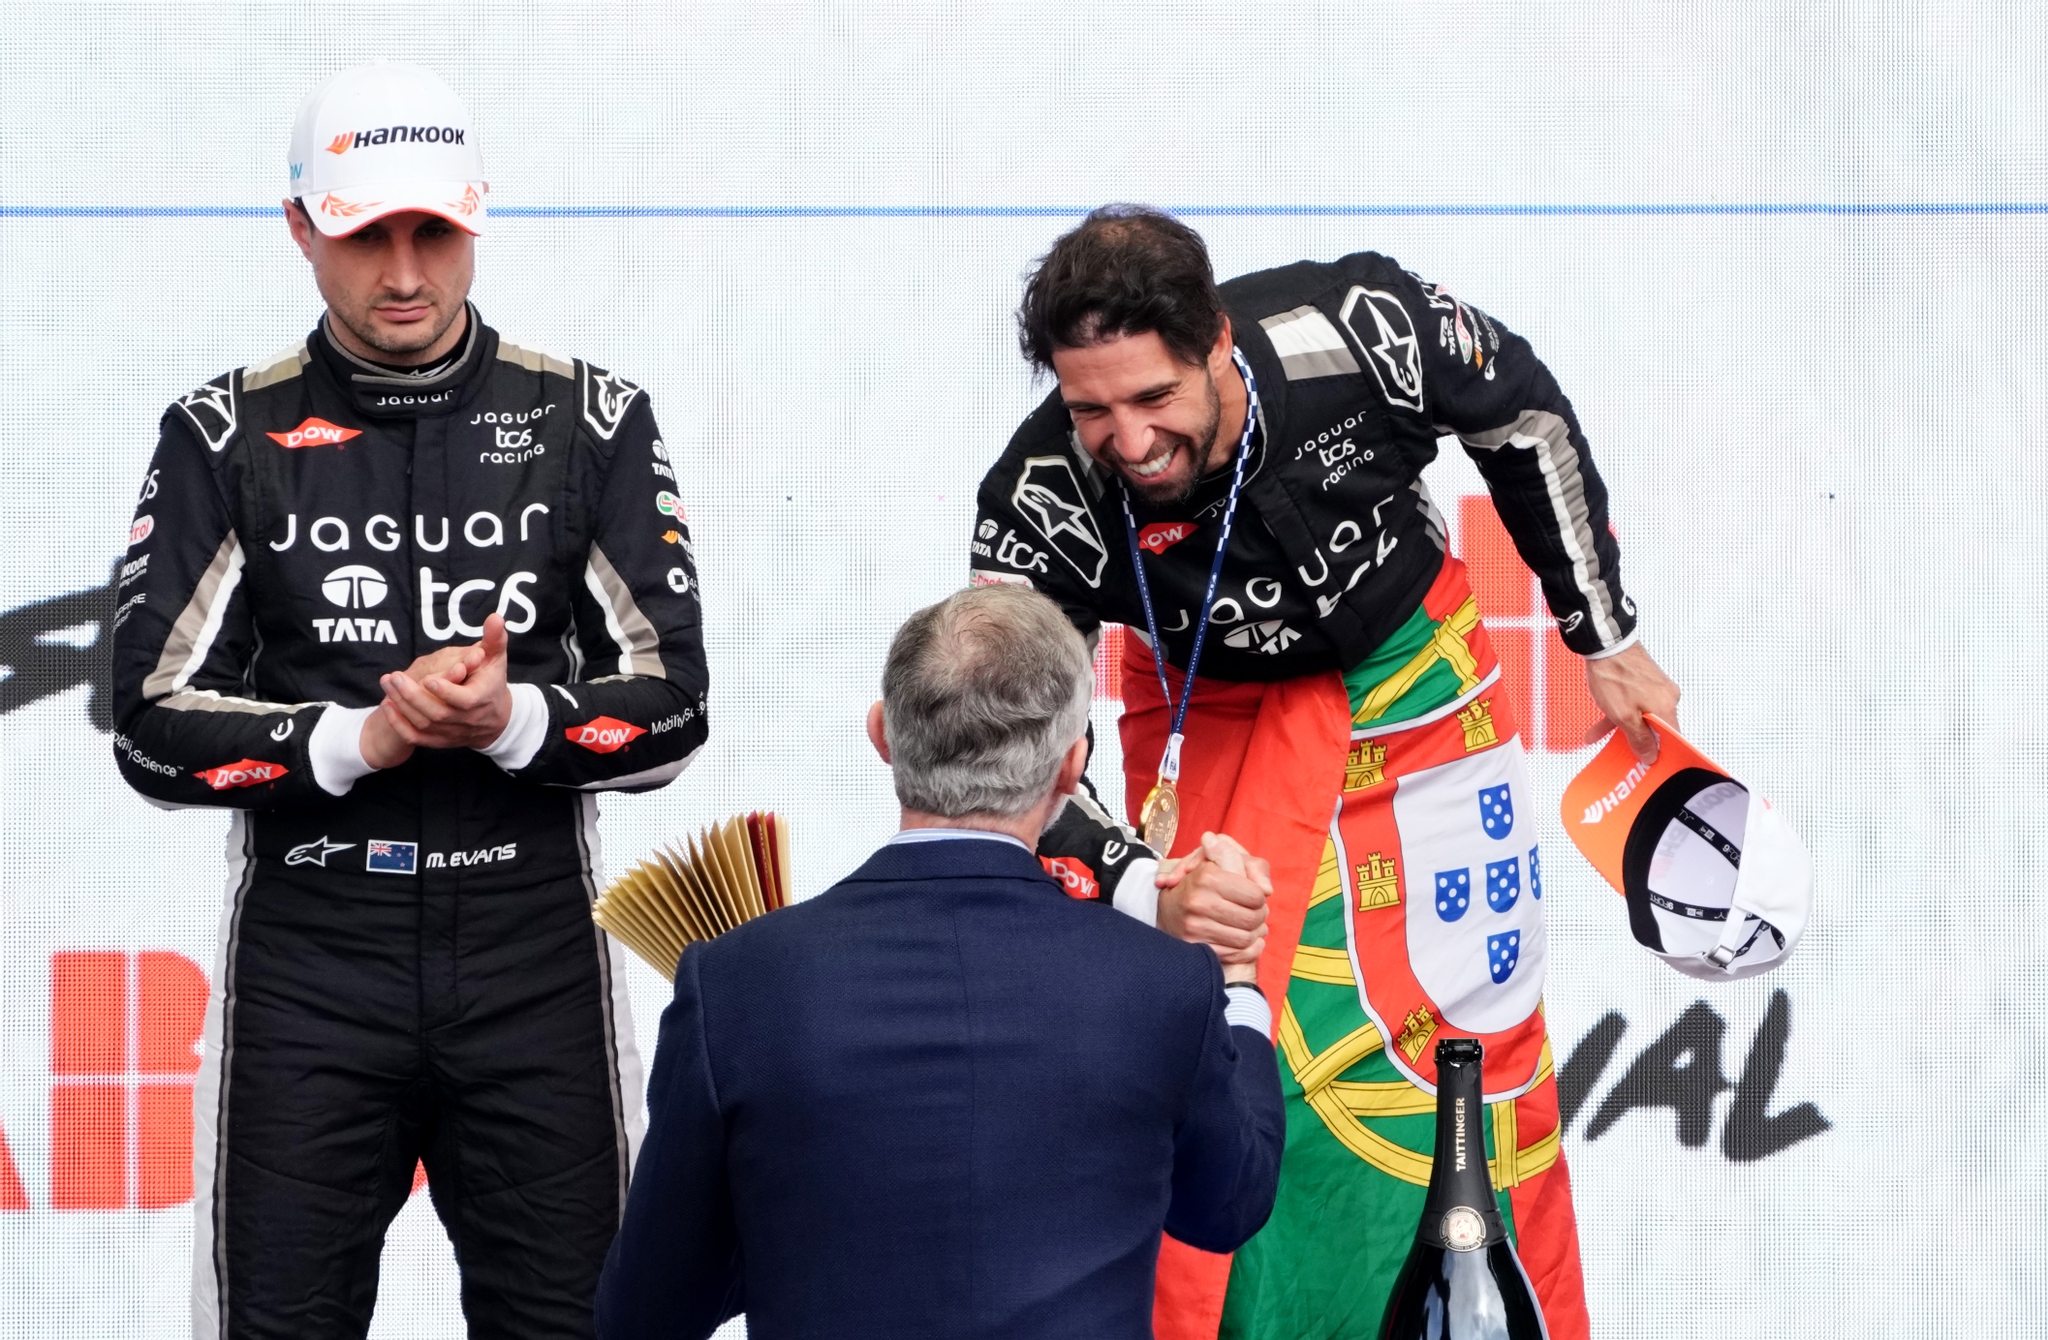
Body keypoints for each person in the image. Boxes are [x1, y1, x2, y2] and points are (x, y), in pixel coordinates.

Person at [971, 206, 1684, 1340]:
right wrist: (1139, 883)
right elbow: (1002, 757)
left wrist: (1600, 632)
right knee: (1217, 1030)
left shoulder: (1358, 326)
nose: (1130, 441)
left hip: (1415, 693)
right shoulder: (1039, 495)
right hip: (1208, 718)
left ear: (1215, 340)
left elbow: (1524, 417)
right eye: (1091, 408)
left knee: (1473, 1051)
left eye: (1154, 398)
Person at [109, 62, 707, 1339]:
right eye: (362, 235)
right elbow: (148, 723)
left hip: (533, 951)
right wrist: (359, 736)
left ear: (477, 216)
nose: (401, 273)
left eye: (432, 232)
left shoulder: (589, 418)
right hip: (312, 960)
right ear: (298, 228)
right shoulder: (222, 431)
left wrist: (514, 720)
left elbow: (675, 705)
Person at [594, 585, 1286, 1339]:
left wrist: (770, 1213)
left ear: (883, 734)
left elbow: (645, 1316)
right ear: (1072, 765)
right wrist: (1237, 981)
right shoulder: (1164, 984)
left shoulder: (735, 984)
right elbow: (1227, 1208)